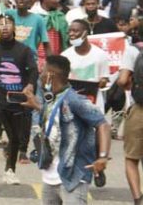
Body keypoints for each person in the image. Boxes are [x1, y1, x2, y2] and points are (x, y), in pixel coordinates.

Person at [22, 55, 111, 205]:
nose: (40, 75)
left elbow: (103, 124)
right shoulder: (52, 98)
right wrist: (37, 106)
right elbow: (54, 116)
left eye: (43, 71)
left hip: (73, 176)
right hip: (50, 176)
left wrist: (102, 157)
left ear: (50, 75)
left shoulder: (75, 100)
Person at [0, 15, 37, 187]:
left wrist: (31, 85)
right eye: (1, 25)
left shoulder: (24, 50)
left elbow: (33, 70)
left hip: (17, 99)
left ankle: (10, 170)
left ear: (14, 27)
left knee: (15, 137)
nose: (4, 27)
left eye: (8, 24)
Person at [61, 20, 111, 113]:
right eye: (70, 31)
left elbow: (105, 79)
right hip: (71, 104)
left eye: (75, 31)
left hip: (94, 103)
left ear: (85, 33)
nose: (71, 34)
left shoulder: (100, 55)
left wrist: (103, 81)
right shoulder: (65, 55)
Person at [117, 43, 143, 204]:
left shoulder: (134, 49)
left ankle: (138, 199)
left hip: (139, 110)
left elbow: (122, 80)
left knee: (132, 158)